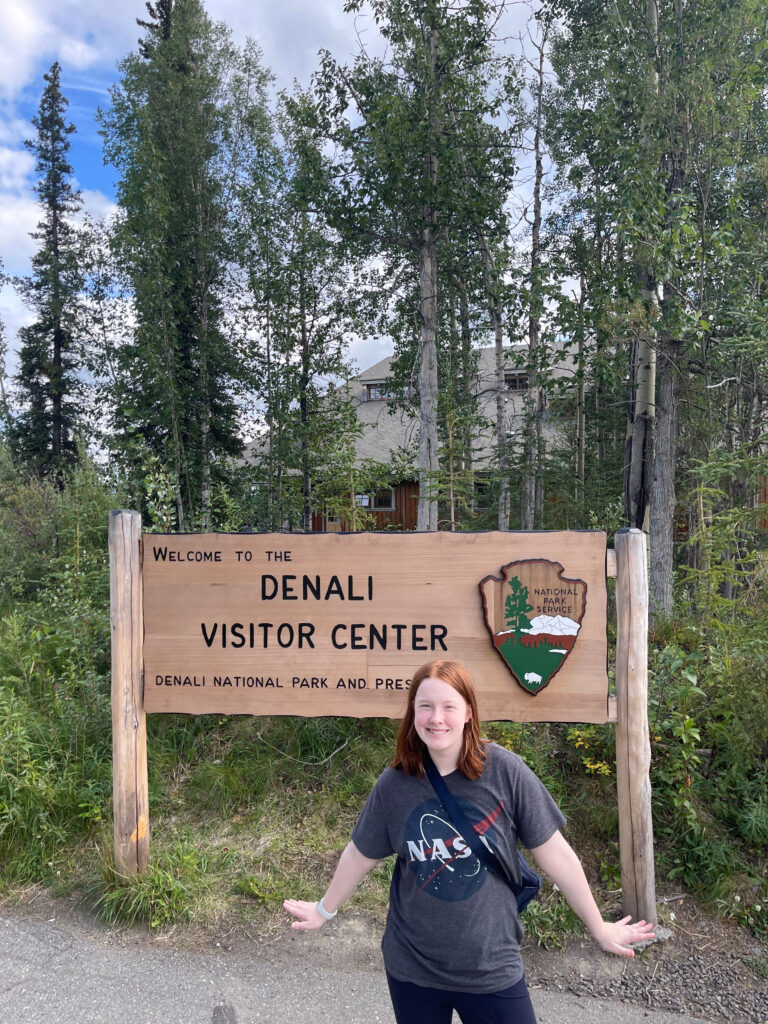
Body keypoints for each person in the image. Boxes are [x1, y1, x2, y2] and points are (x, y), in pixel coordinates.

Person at [284, 659, 654, 1024]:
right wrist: (324, 910)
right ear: (413, 713)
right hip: (413, 967)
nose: (436, 718)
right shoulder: (395, 784)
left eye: (448, 706)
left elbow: (556, 854)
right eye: (425, 706)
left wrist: (598, 927)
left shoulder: (505, 771)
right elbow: (359, 854)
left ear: (468, 712)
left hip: (491, 965)